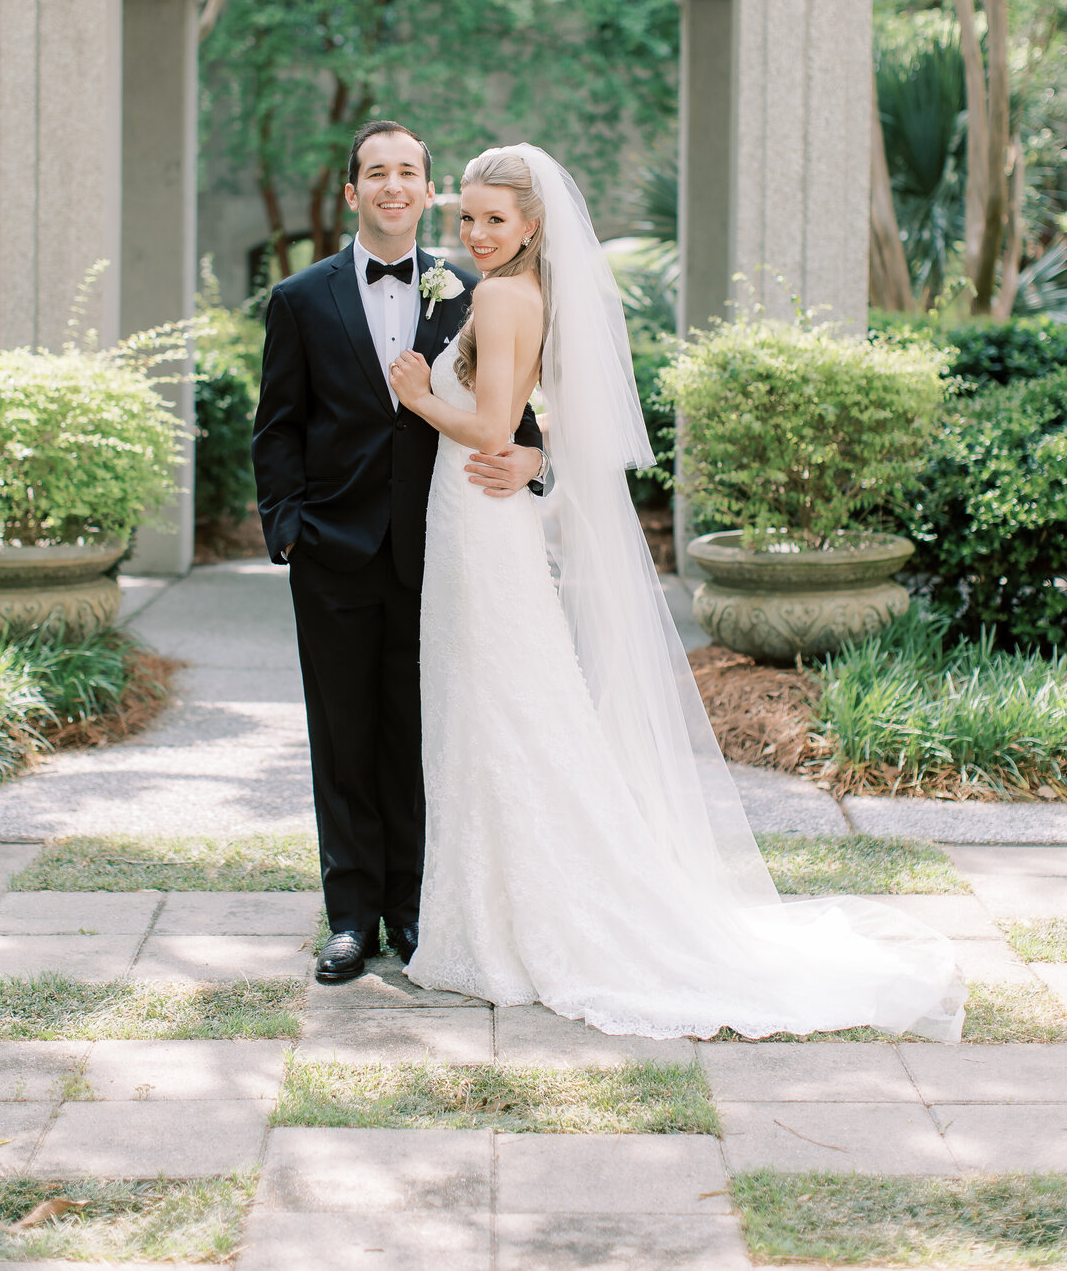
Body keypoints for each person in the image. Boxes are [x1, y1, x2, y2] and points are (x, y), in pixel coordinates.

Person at [387, 144, 965, 1042]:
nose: (476, 234)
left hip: (479, 516)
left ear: (534, 225)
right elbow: (541, 422)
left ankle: (508, 927)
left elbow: (493, 425)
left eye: (495, 219)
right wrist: (528, 447)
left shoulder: (501, 295)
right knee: (503, 704)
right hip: (483, 515)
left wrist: (420, 397)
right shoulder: (525, 293)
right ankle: (495, 917)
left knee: (495, 705)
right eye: (465, 218)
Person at [252, 121, 545, 984]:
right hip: (332, 552)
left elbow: (517, 405)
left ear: (428, 192)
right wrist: (288, 530)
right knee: (341, 737)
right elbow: (277, 428)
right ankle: (349, 916)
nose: (391, 186)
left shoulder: (473, 290)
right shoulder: (301, 300)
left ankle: (416, 911)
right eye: (374, 173)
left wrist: (536, 461)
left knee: (421, 737)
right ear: (352, 195)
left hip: (442, 550)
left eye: (407, 173)